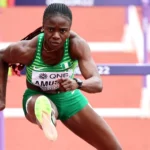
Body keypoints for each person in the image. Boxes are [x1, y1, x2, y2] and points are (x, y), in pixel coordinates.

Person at [0, 3, 122, 150]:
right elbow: (2, 57)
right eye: (51, 30)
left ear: (69, 30)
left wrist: (78, 84)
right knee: (41, 102)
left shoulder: (76, 45)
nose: (56, 36)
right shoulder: (28, 49)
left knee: (114, 148)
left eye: (63, 31)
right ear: (43, 28)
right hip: (35, 97)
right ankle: (47, 114)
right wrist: (1, 98)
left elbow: (97, 83)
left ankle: (49, 113)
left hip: (70, 98)